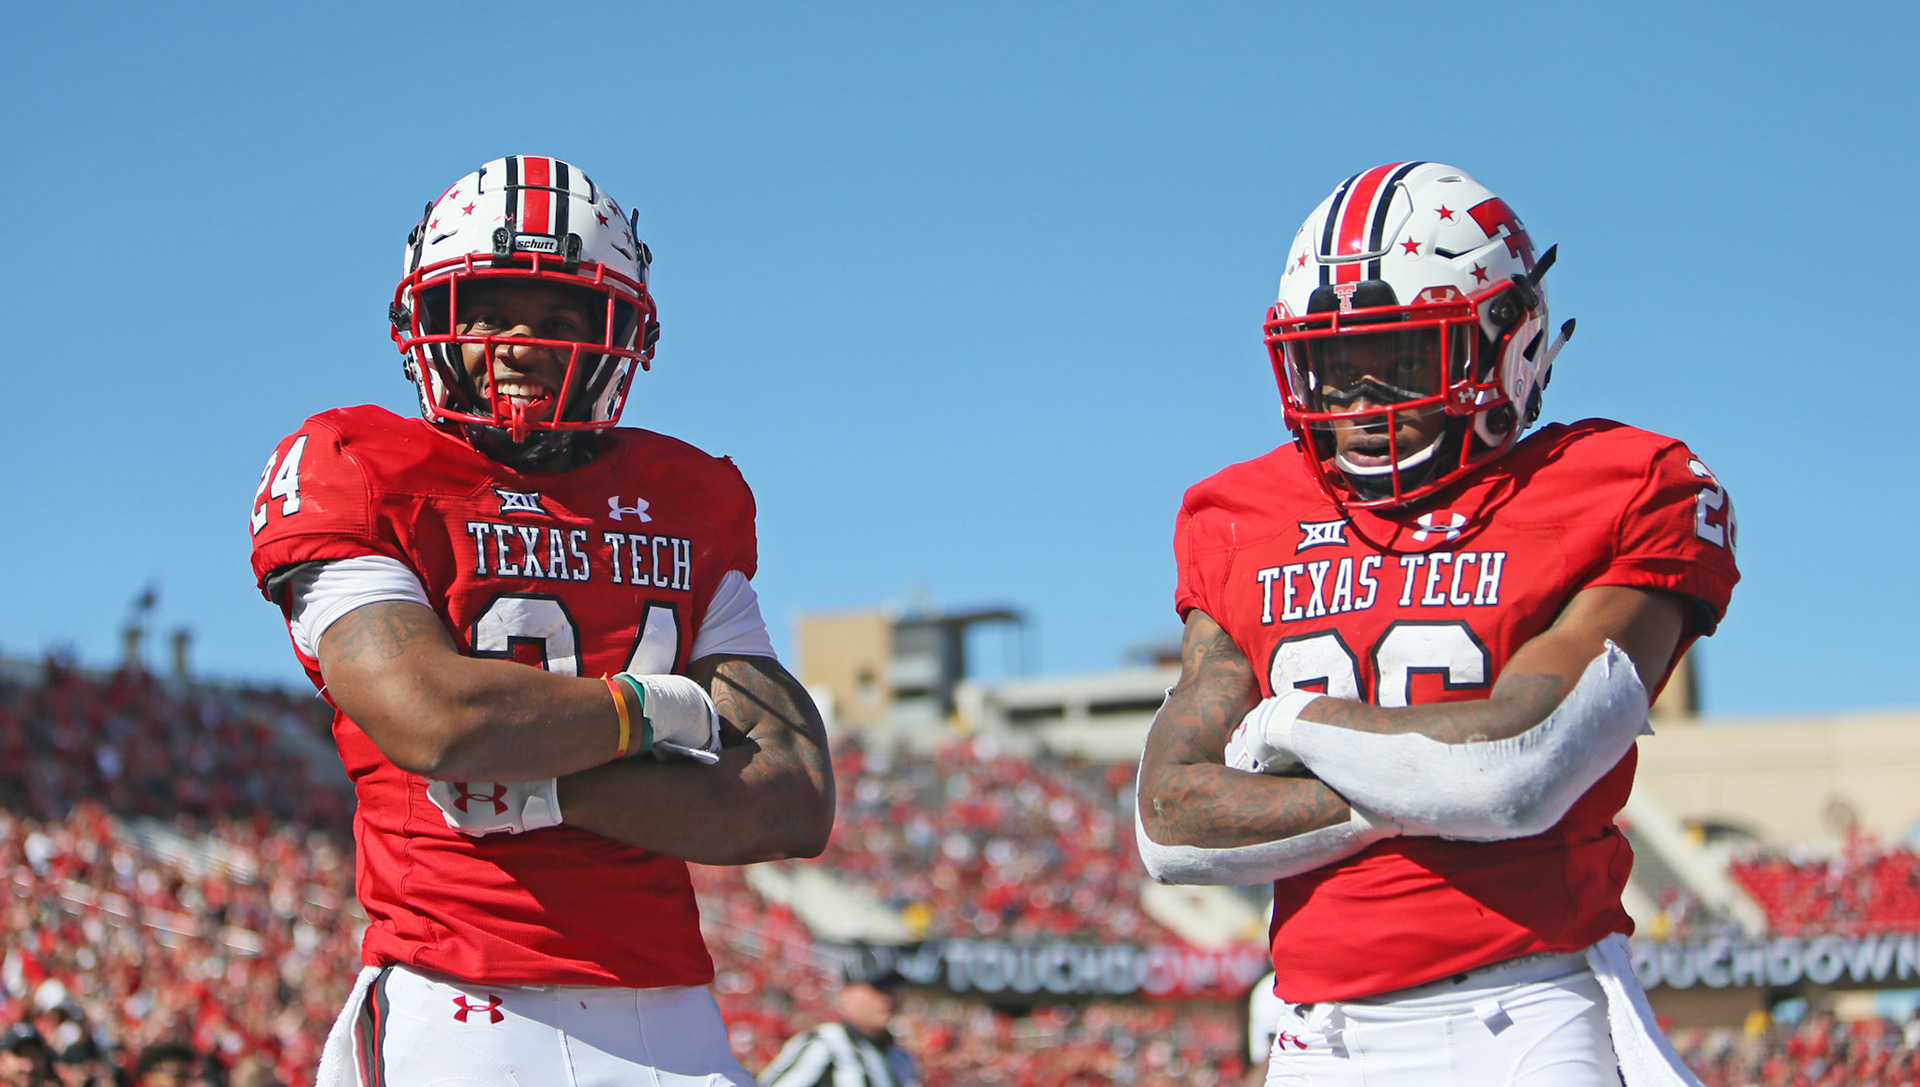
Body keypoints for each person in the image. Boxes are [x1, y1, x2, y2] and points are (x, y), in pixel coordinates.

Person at [1135, 161, 1738, 1086]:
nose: (1363, 400)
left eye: (1404, 357)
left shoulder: (1623, 480)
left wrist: (1290, 724)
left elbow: (1517, 769)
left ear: (1513, 340)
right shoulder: (1240, 513)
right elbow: (1173, 824)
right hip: (1314, 1035)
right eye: (1333, 364)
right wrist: (1432, 783)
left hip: (1527, 1013)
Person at [248, 155, 835, 1087]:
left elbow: (794, 795)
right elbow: (435, 719)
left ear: (621, 335)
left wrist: (547, 791)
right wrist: (659, 710)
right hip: (457, 1003)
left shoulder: (689, 496)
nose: (526, 342)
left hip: (671, 1018)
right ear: (429, 321)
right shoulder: (357, 464)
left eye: (565, 316)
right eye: (491, 310)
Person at [757, 953, 921, 1087]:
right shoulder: (826, 1043)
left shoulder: (900, 1058)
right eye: (878, 987)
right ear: (847, 994)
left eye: (894, 988)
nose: (888, 998)